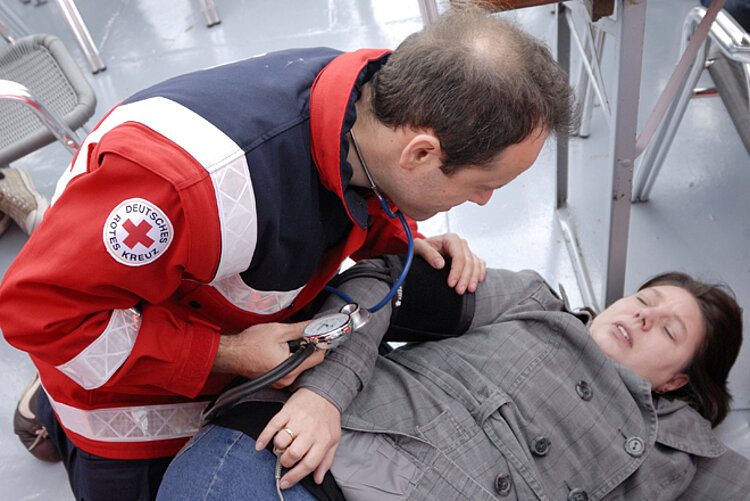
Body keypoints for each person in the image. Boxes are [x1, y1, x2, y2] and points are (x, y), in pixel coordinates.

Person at [0, 5, 577, 500]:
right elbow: (41, 316)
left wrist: (407, 240)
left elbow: (363, 197)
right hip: (124, 401)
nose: (480, 203)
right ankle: (52, 408)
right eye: (483, 184)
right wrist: (228, 353)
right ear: (421, 154)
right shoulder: (188, 189)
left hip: (182, 305)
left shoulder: (378, 99)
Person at [157, 255, 748, 501]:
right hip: (298, 461)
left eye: (668, 332)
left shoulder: (676, 453)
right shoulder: (534, 303)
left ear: (675, 383)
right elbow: (387, 280)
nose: (643, 316)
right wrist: (324, 395)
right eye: (646, 298)